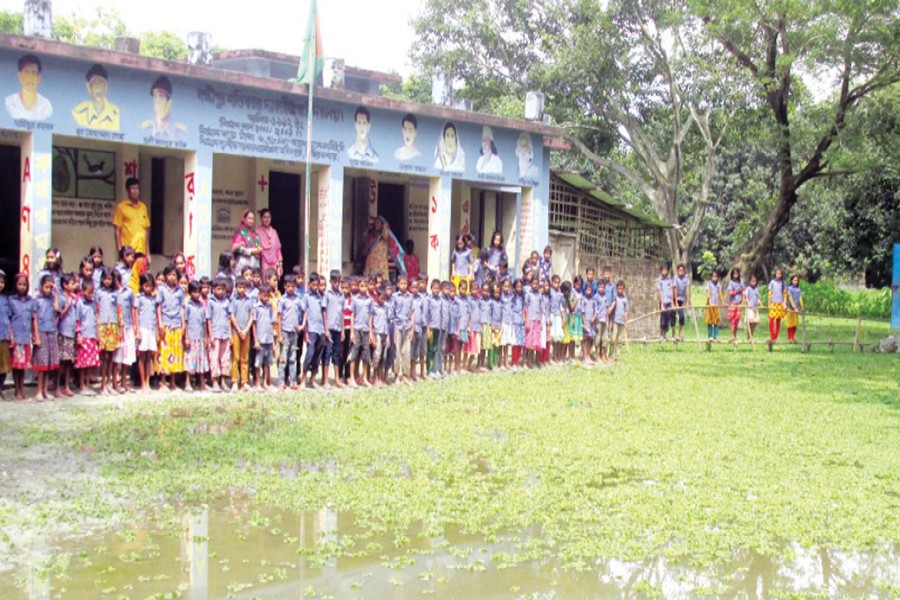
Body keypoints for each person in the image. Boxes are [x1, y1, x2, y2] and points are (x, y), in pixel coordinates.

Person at [155, 263, 185, 391]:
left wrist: (183, 325)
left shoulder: (180, 291)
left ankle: (172, 381)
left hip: (177, 324)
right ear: (166, 276)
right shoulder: (161, 289)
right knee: (164, 352)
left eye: (174, 275)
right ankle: (163, 381)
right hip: (166, 324)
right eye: (169, 275)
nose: (172, 277)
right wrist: (160, 323)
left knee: (175, 353)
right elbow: (158, 307)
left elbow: (181, 308)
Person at [32, 274, 60, 401]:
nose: (49, 289)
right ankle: (38, 391)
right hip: (42, 333)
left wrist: (56, 293)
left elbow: (56, 308)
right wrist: (36, 336)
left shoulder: (52, 298)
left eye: (51, 287)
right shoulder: (37, 300)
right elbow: (35, 319)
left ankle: (45, 391)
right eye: (46, 287)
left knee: (48, 364)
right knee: (41, 365)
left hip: (51, 332)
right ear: (41, 287)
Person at [72, 63, 120, 130]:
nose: (98, 88)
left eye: (101, 83)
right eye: (95, 84)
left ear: (106, 87)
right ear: (89, 87)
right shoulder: (78, 112)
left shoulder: (117, 114)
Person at [113, 270, 138, 394]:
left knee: (126, 357)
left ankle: (123, 381)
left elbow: (134, 310)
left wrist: (135, 327)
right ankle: (114, 382)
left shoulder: (128, 292)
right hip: (115, 328)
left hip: (128, 326)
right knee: (116, 357)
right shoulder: (111, 293)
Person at [6, 54, 53, 121]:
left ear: (39, 78)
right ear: (20, 76)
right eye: (27, 72)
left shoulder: (45, 106)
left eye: (33, 73)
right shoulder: (10, 102)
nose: (30, 78)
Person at [113, 178, 151, 258]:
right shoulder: (121, 207)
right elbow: (117, 230)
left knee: (141, 270)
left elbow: (146, 231)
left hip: (141, 250)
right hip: (128, 252)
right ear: (128, 190)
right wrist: (120, 250)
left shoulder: (143, 207)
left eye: (137, 188)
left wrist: (148, 253)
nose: (135, 191)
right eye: (133, 188)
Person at [278, 275, 304, 390]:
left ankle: (293, 381)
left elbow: (305, 311)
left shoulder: (298, 299)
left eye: (293, 286)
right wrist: (279, 334)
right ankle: (281, 382)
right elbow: (279, 317)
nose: (291, 288)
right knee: (283, 358)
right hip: (285, 331)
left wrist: (302, 325)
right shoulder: (282, 300)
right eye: (288, 286)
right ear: (284, 286)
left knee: (293, 357)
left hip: (294, 332)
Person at [183, 281, 209, 392]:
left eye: (198, 292)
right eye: (194, 292)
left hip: (200, 338)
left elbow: (204, 323)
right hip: (191, 337)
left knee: (201, 361)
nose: (197, 295)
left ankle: (202, 383)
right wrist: (186, 337)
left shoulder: (202, 306)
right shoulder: (188, 306)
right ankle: (187, 382)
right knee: (190, 361)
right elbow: (186, 322)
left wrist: (206, 337)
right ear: (189, 292)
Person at [141, 76, 186, 140]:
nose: (157, 102)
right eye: (155, 97)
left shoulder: (179, 132)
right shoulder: (146, 129)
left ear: (169, 102)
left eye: (161, 97)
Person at [74, 280, 99, 395]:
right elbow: (77, 320)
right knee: (82, 364)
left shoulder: (94, 303)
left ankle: (88, 385)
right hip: (83, 336)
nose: (91, 295)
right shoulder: (80, 303)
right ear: (83, 291)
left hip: (92, 335)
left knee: (90, 363)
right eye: (89, 292)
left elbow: (95, 317)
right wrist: (78, 334)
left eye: (92, 293)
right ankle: (81, 385)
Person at [302, 273, 327, 388]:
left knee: (318, 356)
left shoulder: (320, 297)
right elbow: (305, 314)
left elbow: (323, 313)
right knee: (310, 354)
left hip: (320, 330)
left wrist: (326, 330)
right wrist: (305, 332)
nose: (316, 287)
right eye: (313, 285)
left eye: (317, 285)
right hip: (311, 330)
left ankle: (312, 380)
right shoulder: (306, 297)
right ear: (309, 284)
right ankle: (303, 379)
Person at [230, 277, 255, 391]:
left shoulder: (249, 300)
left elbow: (251, 317)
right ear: (236, 288)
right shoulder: (233, 300)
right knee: (236, 357)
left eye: (243, 287)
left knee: (245, 357)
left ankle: (244, 382)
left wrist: (245, 330)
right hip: (236, 332)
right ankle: (234, 381)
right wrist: (239, 330)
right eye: (239, 287)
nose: (241, 290)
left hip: (246, 333)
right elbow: (231, 316)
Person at [348, 278, 373, 387]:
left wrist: (371, 332)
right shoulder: (355, 299)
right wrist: (352, 332)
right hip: (357, 329)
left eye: (365, 286)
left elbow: (370, 316)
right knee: (354, 353)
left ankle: (364, 378)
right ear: (358, 286)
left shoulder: (370, 300)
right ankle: (352, 378)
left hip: (366, 329)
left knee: (366, 353)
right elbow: (352, 315)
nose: (363, 288)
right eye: (361, 286)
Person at [135, 274, 158, 392]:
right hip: (143, 328)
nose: (148, 288)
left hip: (151, 328)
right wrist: (137, 330)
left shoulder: (154, 299)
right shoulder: (139, 297)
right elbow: (135, 313)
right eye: (146, 286)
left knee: (149, 356)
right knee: (142, 356)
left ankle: (148, 382)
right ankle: (143, 382)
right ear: (142, 286)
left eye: (150, 286)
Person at [253, 285, 277, 391]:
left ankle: (265, 382)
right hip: (260, 339)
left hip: (268, 339)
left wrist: (272, 341)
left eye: (268, 296)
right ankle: (257, 382)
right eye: (264, 296)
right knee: (258, 362)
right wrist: (255, 340)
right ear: (259, 296)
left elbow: (272, 323)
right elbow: (254, 324)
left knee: (267, 363)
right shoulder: (256, 307)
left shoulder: (269, 307)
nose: (266, 298)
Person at [364, 217, 396, 281]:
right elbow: (366, 249)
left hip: (381, 264)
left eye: (378, 223)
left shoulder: (384, 236)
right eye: (375, 223)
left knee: (382, 282)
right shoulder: (371, 235)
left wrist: (385, 226)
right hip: (371, 264)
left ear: (382, 224)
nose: (376, 224)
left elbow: (387, 235)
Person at [256, 208, 284, 279]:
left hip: (274, 263)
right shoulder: (257, 231)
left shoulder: (274, 232)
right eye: (265, 217)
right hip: (263, 262)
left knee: (274, 283)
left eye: (268, 217)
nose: (267, 219)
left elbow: (278, 250)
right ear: (261, 218)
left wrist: (280, 265)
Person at [232, 210, 262, 275]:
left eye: (252, 219)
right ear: (244, 219)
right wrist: (251, 251)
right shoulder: (240, 232)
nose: (251, 221)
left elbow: (258, 247)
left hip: (254, 265)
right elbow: (236, 248)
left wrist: (259, 250)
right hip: (242, 265)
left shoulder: (255, 234)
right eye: (249, 218)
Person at [608, 281, 629, 361]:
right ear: (616, 289)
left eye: (621, 288)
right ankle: (610, 355)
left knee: (619, 340)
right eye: (618, 288)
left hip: (622, 322)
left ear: (624, 289)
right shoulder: (615, 298)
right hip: (615, 321)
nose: (620, 290)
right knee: (613, 339)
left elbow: (626, 311)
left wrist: (626, 322)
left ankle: (618, 356)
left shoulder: (625, 299)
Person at [726, 268, 745, 343]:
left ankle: (735, 335)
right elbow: (731, 293)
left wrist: (743, 297)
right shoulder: (731, 282)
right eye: (734, 274)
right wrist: (737, 291)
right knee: (732, 320)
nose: (735, 275)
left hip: (739, 302)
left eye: (736, 274)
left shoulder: (741, 281)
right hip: (733, 302)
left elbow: (743, 290)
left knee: (737, 319)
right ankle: (732, 336)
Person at [768, 269, 787, 342]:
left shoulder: (783, 283)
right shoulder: (772, 282)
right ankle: (772, 336)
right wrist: (769, 304)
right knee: (771, 319)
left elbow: (785, 294)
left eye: (779, 274)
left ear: (781, 275)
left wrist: (784, 303)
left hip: (780, 303)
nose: (778, 275)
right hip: (773, 303)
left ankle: (776, 337)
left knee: (778, 320)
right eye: (777, 274)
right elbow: (770, 293)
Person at [0, 271, 10, 400]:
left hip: (4, 336)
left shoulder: (6, 300)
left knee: (4, 366)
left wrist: (11, 335)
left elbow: (8, 319)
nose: (0, 284)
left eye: (2, 282)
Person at [705, 271, 724, 341]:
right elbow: (708, 292)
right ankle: (710, 336)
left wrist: (722, 301)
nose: (714, 278)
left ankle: (715, 336)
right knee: (709, 320)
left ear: (718, 277)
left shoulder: (719, 284)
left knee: (716, 320)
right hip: (710, 304)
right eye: (713, 276)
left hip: (716, 304)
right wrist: (708, 298)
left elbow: (720, 293)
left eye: (716, 276)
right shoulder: (708, 284)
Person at [673, 264, 691, 340]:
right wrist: (676, 303)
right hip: (674, 299)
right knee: (673, 317)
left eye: (682, 270)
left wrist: (688, 301)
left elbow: (687, 289)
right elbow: (675, 289)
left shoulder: (686, 278)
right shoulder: (675, 278)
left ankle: (680, 333)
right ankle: (674, 334)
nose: (681, 272)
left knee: (682, 317)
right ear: (677, 271)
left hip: (681, 299)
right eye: (679, 270)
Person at [786, 275, 804, 344]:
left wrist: (802, 306)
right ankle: (790, 337)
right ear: (791, 281)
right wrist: (794, 307)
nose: (795, 282)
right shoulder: (790, 288)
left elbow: (800, 298)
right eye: (794, 280)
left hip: (797, 309)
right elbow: (790, 298)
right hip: (790, 308)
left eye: (796, 280)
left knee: (795, 323)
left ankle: (793, 337)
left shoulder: (799, 289)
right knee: (790, 323)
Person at [745, 275, 761, 341]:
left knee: (756, 322)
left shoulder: (756, 289)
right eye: (752, 281)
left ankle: (750, 336)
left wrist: (761, 304)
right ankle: (749, 337)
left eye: (754, 281)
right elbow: (745, 297)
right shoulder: (748, 289)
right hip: (749, 308)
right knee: (750, 322)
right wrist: (748, 303)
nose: (753, 282)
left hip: (755, 309)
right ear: (750, 281)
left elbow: (758, 298)